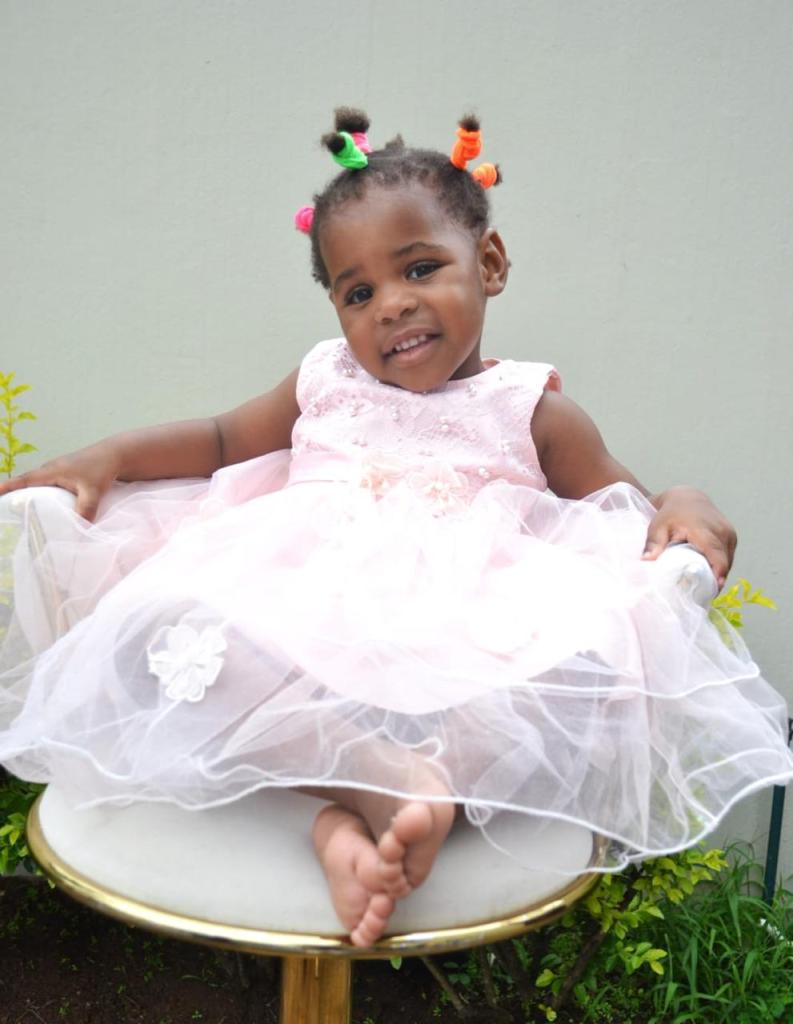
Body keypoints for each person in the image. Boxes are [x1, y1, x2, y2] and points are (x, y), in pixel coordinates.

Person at [1, 109, 791, 948]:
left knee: (571, 681)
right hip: (302, 616)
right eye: (359, 292)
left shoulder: (531, 411)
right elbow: (224, 438)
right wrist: (112, 455)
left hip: (455, 645)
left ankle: (360, 813)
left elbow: (622, 510)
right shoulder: (325, 380)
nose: (392, 305)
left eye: (419, 268)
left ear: (488, 263)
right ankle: (373, 782)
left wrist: (683, 498)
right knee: (161, 632)